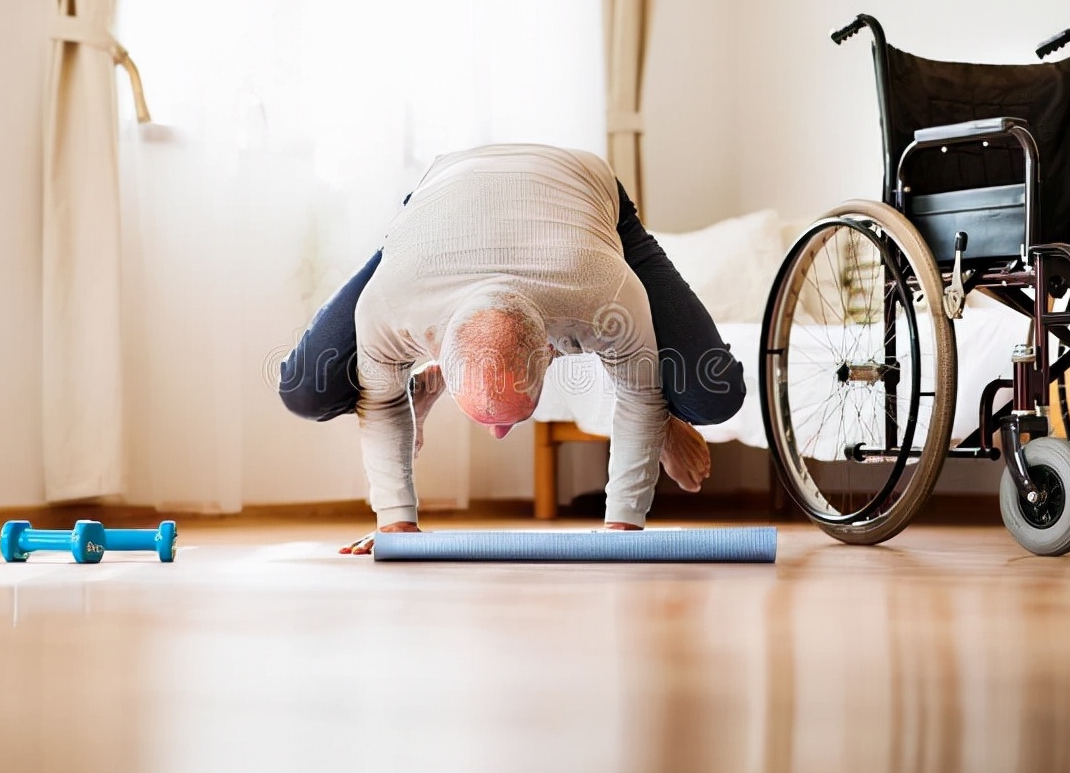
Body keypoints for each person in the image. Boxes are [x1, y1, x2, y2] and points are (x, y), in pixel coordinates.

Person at [279, 144, 745, 553]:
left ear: (548, 350)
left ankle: (668, 408)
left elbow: (639, 394)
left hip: (578, 190)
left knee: (713, 393)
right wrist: (396, 523)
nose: (499, 433)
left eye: (513, 416)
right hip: (437, 211)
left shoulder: (604, 295)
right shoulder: (391, 305)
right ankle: (433, 382)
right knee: (306, 389)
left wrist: (622, 525)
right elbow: (379, 405)